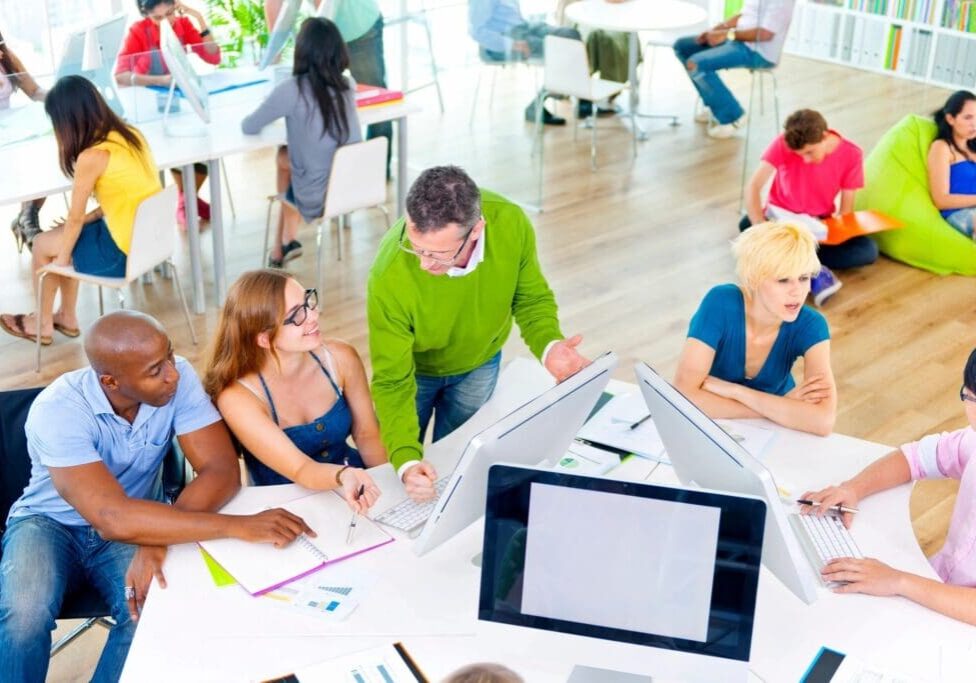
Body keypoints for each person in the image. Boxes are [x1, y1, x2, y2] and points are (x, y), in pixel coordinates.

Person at [0, 311, 313, 682]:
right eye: (155, 370)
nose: (174, 373)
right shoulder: (58, 411)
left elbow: (222, 470)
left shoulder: (177, 379)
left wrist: (157, 537)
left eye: (169, 355)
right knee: (24, 614)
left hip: (139, 521)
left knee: (152, 614)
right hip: (48, 523)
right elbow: (111, 517)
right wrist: (237, 526)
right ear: (111, 381)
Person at [367, 165, 590, 502]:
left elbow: (529, 298)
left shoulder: (511, 223)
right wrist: (407, 461)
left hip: (479, 363)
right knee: (404, 475)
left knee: (457, 466)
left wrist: (549, 345)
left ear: (476, 231)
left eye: (437, 254)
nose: (424, 264)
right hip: (413, 374)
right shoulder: (389, 275)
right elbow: (392, 381)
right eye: (417, 248)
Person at [803, 347, 976, 625]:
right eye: (971, 398)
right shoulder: (973, 439)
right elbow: (915, 458)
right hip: (936, 584)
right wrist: (853, 488)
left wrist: (898, 581)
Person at [0, 75, 161, 346]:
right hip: (147, 240)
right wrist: (87, 220)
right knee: (62, 238)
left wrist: (61, 262)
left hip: (121, 254)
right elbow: (129, 195)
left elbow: (74, 218)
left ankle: (42, 324)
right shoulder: (130, 134)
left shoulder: (93, 156)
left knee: (42, 244)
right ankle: (66, 317)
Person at [204, 269, 386, 501]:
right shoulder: (238, 398)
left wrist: (388, 484)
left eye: (308, 302)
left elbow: (367, 434)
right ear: (264, 338)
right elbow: (301, 470)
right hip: (287, 505)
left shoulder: (341, 358)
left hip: (352, 482)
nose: (313, 315)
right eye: (296, 315)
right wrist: (344, 476)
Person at [673, 221, 836, 436]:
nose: (797, 292)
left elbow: (823, 421)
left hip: (775, 430)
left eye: (804, 278)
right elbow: (682, 395)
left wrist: (735, 392)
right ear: (754, 279)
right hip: (724, 423)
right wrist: (778, 406)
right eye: (783, 280)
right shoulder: (720, 303)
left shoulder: (812, 325)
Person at [242, 17, 361, 268]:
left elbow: (250, 126)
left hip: (317, 195)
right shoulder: (347, 86)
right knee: (285, 159)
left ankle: (283, 244)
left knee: (284, 158)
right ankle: (283, 244)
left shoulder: (291, 89)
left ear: (302, 52)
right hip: (351, 185)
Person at [742, 108, 877, 307]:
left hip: (816, 224)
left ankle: (792, 263)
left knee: (867, 251)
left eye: (809, 152)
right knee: (747, 224)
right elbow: (753, 186)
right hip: (780, 219)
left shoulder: (852, 154)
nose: (804, 159)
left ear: (825, 136)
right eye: (799, 154)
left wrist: (833, 232)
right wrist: (759, 225)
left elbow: (845, 210)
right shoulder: (782, 143)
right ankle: (812, 269)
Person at [115, 0, 220, 226]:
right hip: (152, 108)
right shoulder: (138, 32)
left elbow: (213, 57)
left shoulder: (182, 25)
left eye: (171, 13)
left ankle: (186, 199)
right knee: (174, 147)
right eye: (159, 18)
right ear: (146, 15)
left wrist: (198, 18)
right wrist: (160, 80)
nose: (168, 21)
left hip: (181, 103)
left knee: (200, 144)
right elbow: (120, 76)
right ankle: (188, 200)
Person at [264, 0, 393, 177]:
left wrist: (312, 50)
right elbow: (278, 4)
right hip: (327, 34)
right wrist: (272, 56)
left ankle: (376, 174)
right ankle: (331, 175)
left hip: (359, 27)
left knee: (376, 101)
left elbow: (328, 6)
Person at [673, 0, 794, 138]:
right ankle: (716, 106)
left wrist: (727, 34)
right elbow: (746, 14)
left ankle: (733, 116)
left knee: (697, 64)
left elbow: (765, 34)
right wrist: (716, 29)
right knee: (683, 46)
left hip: (758, 52)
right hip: (738, 41)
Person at [468, 0, 583, 125]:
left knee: (571, 35)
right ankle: (538, 105)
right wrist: (511, 44)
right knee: (562, 50)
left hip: (523, 27)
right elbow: (477, 31)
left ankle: (582, 98)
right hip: (502, 42)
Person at [1, 28, 48, 252]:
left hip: (9, 128)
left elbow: (35, 91)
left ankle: (27, 217)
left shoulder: (6, 56)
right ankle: (27, 221)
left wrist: (63, 96)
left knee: (48, 154)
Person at [927, 90, 976, 239]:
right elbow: (941, 200)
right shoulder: (942, 147)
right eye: (968, 117)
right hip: (959, 214)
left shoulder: (973, 147)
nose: (974, 124)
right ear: (950, 119)